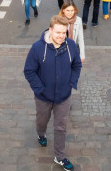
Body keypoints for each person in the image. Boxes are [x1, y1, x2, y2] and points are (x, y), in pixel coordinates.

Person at [24, 15, 82, 171]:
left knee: (61, 127)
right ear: (50, 30)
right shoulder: (37, 48)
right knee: (42, 120)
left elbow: (77, 65)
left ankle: (60, 156)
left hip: (64, 97)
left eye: (64, 33)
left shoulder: (70, 45)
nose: (61, 36)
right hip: (43, 97)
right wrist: (39, 89)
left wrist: (72, 82)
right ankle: (41, 134)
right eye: (58, 32)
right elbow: (29, 71)